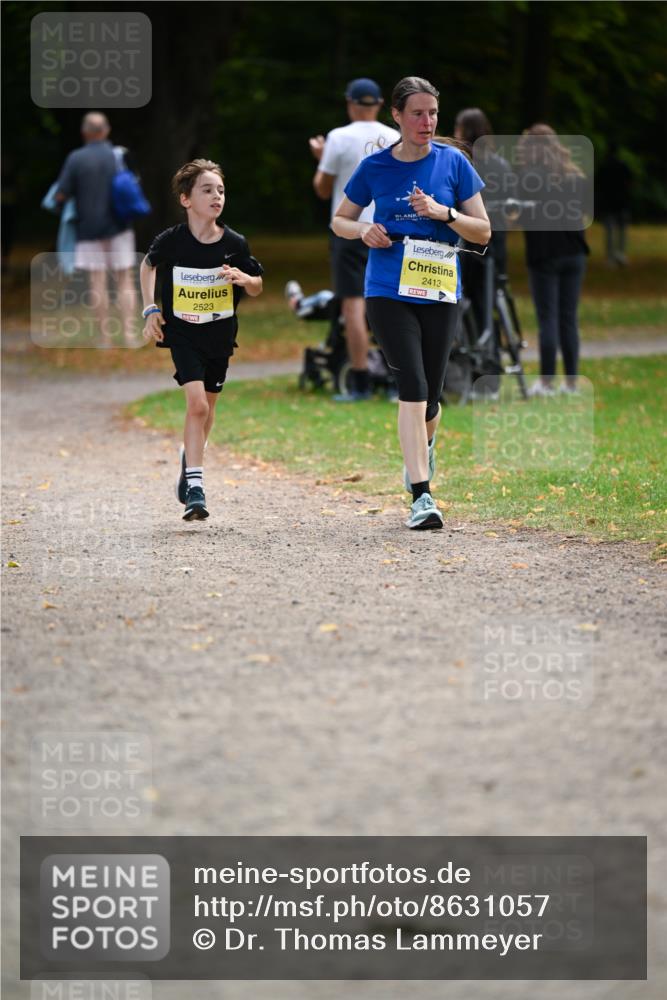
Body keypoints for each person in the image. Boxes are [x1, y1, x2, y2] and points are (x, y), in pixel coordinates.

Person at [332, 76, 490, 529]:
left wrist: (445, 214)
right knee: (413, 386)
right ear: (396, 116)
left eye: (433, 113)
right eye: (417, 113)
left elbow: (483, 231)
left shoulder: (454, 164)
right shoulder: (376, 167)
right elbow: (340, 221)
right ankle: (422, 497)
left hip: (440, 286)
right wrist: (364, 230)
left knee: (433, 400)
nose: (427, 121)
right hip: (387, 286)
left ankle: (422, 450)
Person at [140, 159, 263, 521]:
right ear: (186, 200)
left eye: (221, 190)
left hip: (220, 335)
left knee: (207, 408)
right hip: (182, 333)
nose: (216, 196)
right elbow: (148, 264)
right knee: (197, 406)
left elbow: (257, 286)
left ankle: (188, 457)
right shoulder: (173, 241)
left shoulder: (235, 243)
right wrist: (150, 309)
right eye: (207, 190)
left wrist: (244, 278)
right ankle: (196, 487)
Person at [310, 78, 399, 400]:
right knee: (392, 303)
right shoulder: (394, 137)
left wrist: (322, 158)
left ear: (350, 104)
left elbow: (322, 189)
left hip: (350, 230)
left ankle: (360, 380)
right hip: (388, 229)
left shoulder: (338, 138)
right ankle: (395, 379)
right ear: (378, 105)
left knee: (353, 306)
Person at [518, 124, 589, 396]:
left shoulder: (529, 178)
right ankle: (571, 382)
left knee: (547, 318)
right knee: (568, 318)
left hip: (544, 254)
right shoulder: (574, 175)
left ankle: (546, 382)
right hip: (575, 252)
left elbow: (523, 215)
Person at [55, 112, 138, 344]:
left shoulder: (76, 158)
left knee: (97, 281)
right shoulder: (119, 155)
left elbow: (61, 193)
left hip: (88, 229)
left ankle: (105, 338)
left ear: (84, 133)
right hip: (120, 226)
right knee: (124, 280)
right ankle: (130, 335)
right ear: (106, 130)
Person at [454, 109, 514, 395]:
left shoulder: (464, 163)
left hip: (470, 244)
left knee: (466, 305)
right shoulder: (500, 164)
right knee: (487, 306)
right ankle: (491, 372)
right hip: (496, 244)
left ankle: (474, 369)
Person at [596, 143, 633, 267]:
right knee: (622, 230)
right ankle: (621, 254)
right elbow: (630, 182)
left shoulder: (604, 166)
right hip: (622, 202)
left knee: (610, 231)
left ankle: (611, 257)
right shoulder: (623, 166)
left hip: (608, 203)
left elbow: (598, 185)